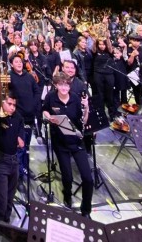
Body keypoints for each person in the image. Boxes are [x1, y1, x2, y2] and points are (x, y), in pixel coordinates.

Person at [41, 72, 93, 217]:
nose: (64, 88)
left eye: (66, 85)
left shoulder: (75, 98)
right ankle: (67, 195)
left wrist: (86, 108)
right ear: (56, 85)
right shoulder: (51, 97)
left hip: (76, 141)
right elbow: (44, 110)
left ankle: (86, 210)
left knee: (88, 179)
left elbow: (84, 120)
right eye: (61, 84)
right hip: (60, 142)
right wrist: (48, 117)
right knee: (67, 177)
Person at [0, 88, 25, 226]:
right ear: (3, 103)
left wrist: (20, 138)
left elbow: (21, 136)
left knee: (9, 199)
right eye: (9, 104)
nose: (12, 107)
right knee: (1, 202)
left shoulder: (18, 117)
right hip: (0, 161)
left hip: (14, 161)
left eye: (14, 105)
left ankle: (6, 226)